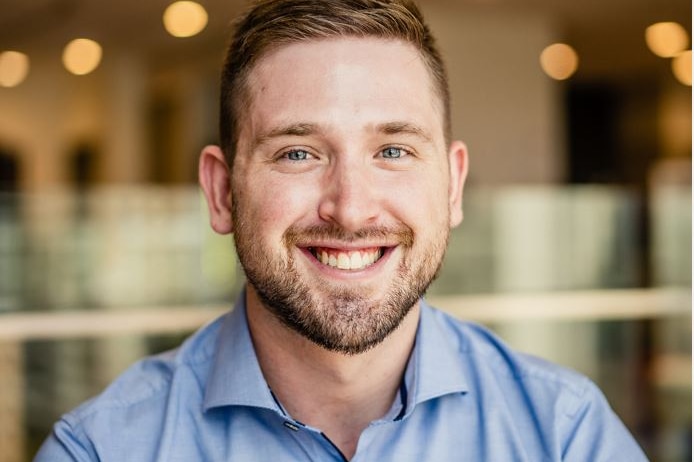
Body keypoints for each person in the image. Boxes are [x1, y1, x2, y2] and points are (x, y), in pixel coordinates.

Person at [36, 0, 648, 460]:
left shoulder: (565, 434)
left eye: (394, 150)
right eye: (298, 153)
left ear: (454, 186)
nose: (351, 210)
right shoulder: (101, 448)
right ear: (222, 192)